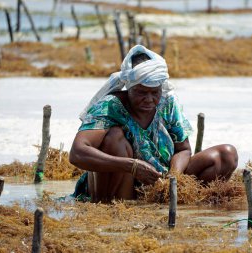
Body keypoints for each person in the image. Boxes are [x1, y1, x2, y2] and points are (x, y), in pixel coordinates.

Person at [69, 45, 238, 203]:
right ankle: (116, 205)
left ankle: (174, 201)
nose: (149, 100)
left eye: (154, 92)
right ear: (129, 88)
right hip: (121, 185)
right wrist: (132, 166)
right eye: (141, 92)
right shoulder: (110, 106)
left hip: (160, 181)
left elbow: (183, 150)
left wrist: (173, 178)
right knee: (114, 137)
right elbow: (78, 152)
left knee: (226, 155)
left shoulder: (167, 102)